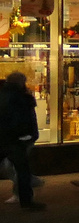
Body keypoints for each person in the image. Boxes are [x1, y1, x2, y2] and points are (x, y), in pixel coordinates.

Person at [1, 71, 45, 210]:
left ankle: (24, 197)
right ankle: (26, 200)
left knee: (18, 168)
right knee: (22, 170)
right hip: (16, 138)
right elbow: (26, 119)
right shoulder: (22, 97)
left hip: (4, 137)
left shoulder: (4, 94)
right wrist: (29, 135)